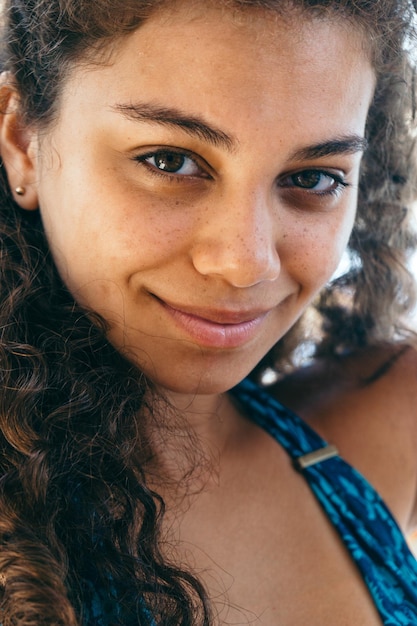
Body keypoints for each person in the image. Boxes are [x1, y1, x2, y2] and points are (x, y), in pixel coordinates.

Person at [0, 0, 416, 624]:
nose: (246, 263)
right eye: (169, 161)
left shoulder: (386, 426)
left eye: (313, 179)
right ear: (22, 143)